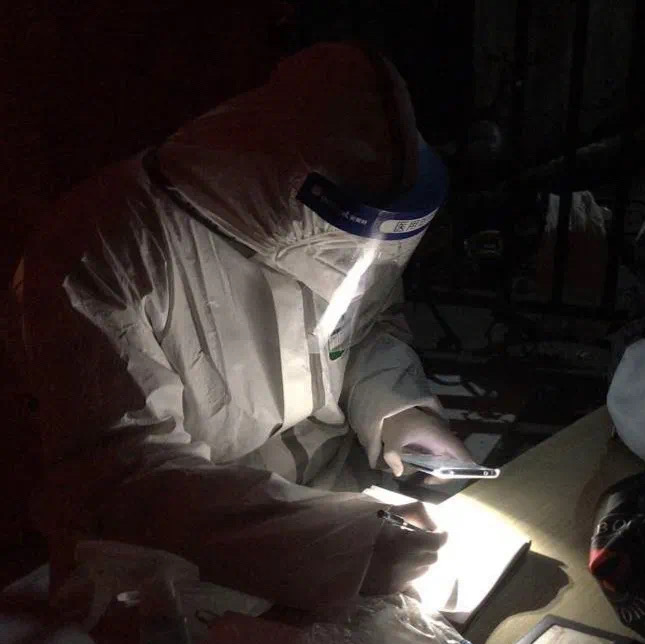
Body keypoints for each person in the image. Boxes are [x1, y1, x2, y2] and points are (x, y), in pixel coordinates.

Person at [16, 43, 474, 610]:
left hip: (352, 505)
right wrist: (339, 545)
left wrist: (400, 411)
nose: (357, 264)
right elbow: (123, 478)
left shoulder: (344, 230)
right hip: (176, 566)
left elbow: (366, 327)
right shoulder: (103, 246)